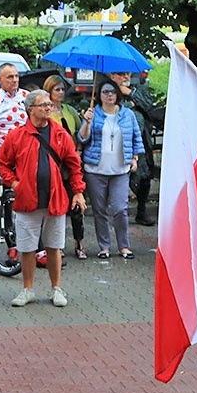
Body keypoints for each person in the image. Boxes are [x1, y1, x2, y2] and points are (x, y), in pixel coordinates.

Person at [0, 89, 86, 307]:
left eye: (49, 104)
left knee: (55, 247)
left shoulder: (60, 134)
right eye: (43, 105)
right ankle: (28, 289)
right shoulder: (17, 136)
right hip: (28, 201)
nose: (48, 108)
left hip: (55, 199)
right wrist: (15, 183)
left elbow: (74, 164)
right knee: (27, 248)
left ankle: (56, 288)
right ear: (30, 110)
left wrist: (78, 191)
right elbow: (2, 163)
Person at [78, 79, 144, 260]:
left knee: (120, 209)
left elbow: (136, 137)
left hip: (120, 170)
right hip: (95, 169)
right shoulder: (94, 114)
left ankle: (124, 246)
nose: (109, 95)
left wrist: (135, 157)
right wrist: (87, 123)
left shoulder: (127, 115)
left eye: (112, 92)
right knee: (99, 210)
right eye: (105, 92)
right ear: (99, 95)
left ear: (117, 95)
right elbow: (83, 139)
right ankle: (104, 246)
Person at [43, 74, 86, 259]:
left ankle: (79, 242)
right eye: (56, 89)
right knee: (55, 206)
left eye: (62, 89)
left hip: (69, 164)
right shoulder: (45, 113)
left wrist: (78, 149)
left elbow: (80, 134)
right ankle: (55, 245)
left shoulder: (69, 111)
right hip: (53, 164)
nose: (60, 93)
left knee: (75, 206)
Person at [109, 71, 158, 226]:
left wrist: (130, 93)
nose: (126, 78)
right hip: (119, 143)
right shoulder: (108, 91)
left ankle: (141, 211)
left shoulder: (136, 89)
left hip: (142, 141)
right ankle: (118, 213)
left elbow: (148, 104)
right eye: (121, 74)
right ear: (112, 76)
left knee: (145, 177)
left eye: (128, 74)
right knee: (121, 179)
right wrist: (131, 104)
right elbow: (112, 110)